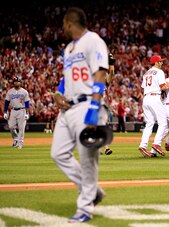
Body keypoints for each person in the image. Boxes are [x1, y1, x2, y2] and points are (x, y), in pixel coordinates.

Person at [50, 7, 109, 223]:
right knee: (58, 154)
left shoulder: (93, 40)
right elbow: (67, 78)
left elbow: (101, 72)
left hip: (86, 105)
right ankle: (92, 191)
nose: (63, 28)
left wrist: (95, 108)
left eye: (64, 24)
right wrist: (58, 93)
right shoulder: (68, 49)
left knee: (87, 160)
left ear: (69, 23)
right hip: (68, 109)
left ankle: (85, 207)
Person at [138, 55, 169, 158]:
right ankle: (156, 143)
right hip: (155, 97)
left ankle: (143, 145)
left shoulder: (146, 73)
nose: (161, 63)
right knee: (163, 122)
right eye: (160, 61)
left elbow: (142, 88)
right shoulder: (159, 72)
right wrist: (168, 86)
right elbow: (163, 87)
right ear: (156, 62)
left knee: (149, 123)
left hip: (146, 98)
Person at [3, 77, 30, 149]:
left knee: (21, 127)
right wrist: (5, 112)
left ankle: (20, 143)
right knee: (11, 126)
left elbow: (27, 103)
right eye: (15, 82)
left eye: (18, 82)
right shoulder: (10, 91)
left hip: (22, 110)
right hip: (13, 110)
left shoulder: (24, 92)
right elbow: (6, 102)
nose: (16, 83)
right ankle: (15, 139)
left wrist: (27, 113)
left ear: (20, 83)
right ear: (13, 83)